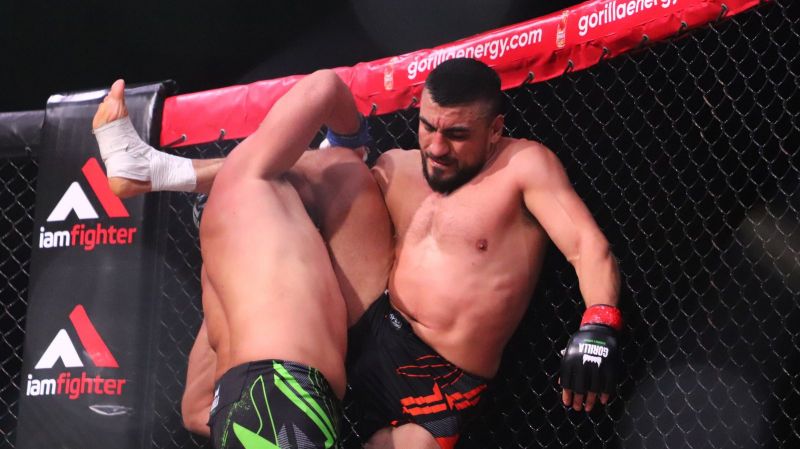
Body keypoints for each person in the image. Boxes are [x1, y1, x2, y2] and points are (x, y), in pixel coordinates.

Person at [94, 58, 622, 449]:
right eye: (429, 127)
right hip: (370, 321)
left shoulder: (523, 166)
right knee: (332, 169)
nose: (437, 147)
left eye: (457, 135)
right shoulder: (399, 165)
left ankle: (178, 182)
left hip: (436, 379)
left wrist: (599, 323)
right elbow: (296, 167)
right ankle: (165, 174)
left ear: (495, 130)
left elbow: (587, 246)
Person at [92, 72, 394, 449]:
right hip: (280, 391)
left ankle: (145, 169)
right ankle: (143, 168)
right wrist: (349, 142)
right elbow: (326, 86)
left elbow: (195, 409)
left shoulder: (223, 278)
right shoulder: (252, 177)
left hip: (249, 401)